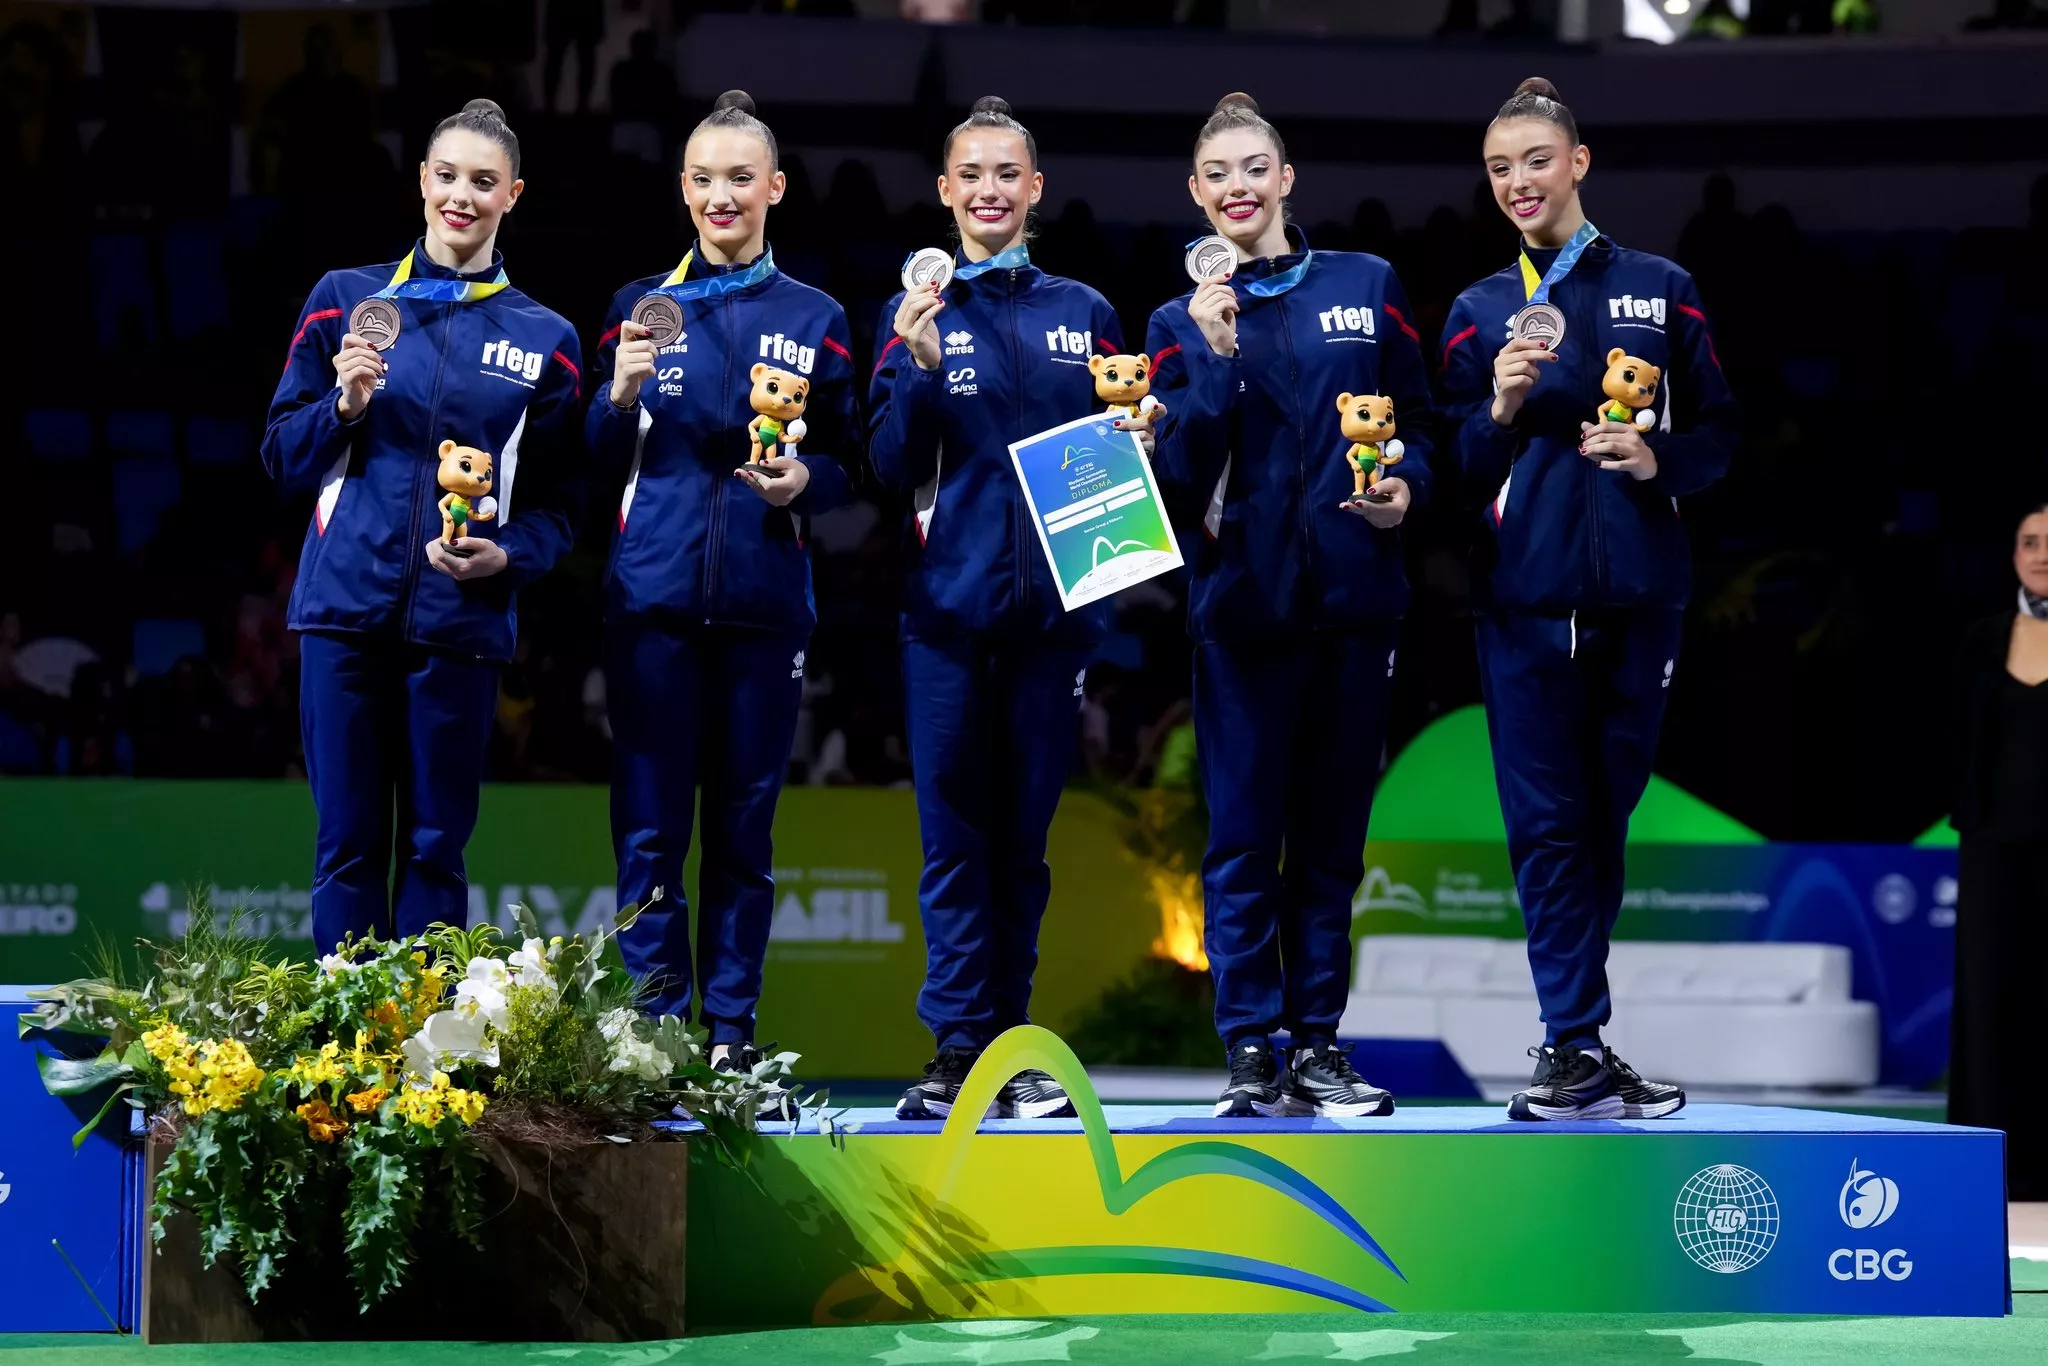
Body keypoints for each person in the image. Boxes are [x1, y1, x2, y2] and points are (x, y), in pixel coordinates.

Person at [1440, 78, 1737, 1121]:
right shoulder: (1477, 311)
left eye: (1534, 160)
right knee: (1549, 826)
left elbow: (1720, 434)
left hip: (1643, 596)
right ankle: (1570, 1038)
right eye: (1497, 167)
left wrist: (1659, 461)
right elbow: (1448, 470)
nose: (1516, 181)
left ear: (1577, 163)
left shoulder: (1663, 286)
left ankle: (1580, 1041)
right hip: (1526, 601)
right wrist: (1496, 407)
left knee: (1603, 823)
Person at [1145, 93, 1432, 1119]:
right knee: (1240, 842)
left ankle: (1316, 1043)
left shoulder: (1367, 284)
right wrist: (1214, 359)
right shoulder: (1175, 323)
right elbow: (1176, 473)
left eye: (1253, 168)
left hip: (1355, 607)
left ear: (1285, 178)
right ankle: (1249, 1050)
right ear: (1196, 193)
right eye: (1217, 174)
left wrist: (1408, 490)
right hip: (1241, 614)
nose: (1238, 187)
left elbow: (1419, 425)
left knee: (1328, 845)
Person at [587, 91, 856, 1106]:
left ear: (774, 188)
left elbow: (853, 464)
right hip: (651, 603)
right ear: (684, 189)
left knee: (744, 838)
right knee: (650, 834)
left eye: (740, 177)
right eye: (703, 178)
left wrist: (804, 484)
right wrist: (617, 392)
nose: (720, 195)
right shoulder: (636, 306)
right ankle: (655, 1034)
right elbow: (592, 454)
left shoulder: (816, 318)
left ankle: (731, 1037)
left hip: (762, 608)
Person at [262, 98, 583, 949]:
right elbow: (282, 456)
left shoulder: (547, 339)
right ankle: (348, 1026)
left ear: (512, 194)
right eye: (447, 176)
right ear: (421, 181)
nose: (461, 196)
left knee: (436, 851)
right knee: (347, 846)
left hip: (459, 624)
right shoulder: (344, 300)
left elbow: (563, 506)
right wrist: (342, 406)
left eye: (483, 181)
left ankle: (427, 1031)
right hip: (344, 613)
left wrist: (505, 557)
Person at [869, 96, 1127, 1121]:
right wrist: (921, 369)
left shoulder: (1085, 312)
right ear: (945, 191)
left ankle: (1010, 1051)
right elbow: (888, 465)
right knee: (953, 845)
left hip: (1051, 629)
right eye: (969, 174)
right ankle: (954, 1051)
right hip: (944, 621)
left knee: (1022, 849)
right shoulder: (915, 316)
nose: (988, 190)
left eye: (1005, 174)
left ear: (1034, 189)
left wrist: (1140, 442)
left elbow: (1113, 451)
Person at [1948, 503, 2048, 1199]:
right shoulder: (1982, 639)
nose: (2041, 554)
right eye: (2029, 542)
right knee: (1990, 1002)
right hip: (1992, 849)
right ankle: (1985, 1171)